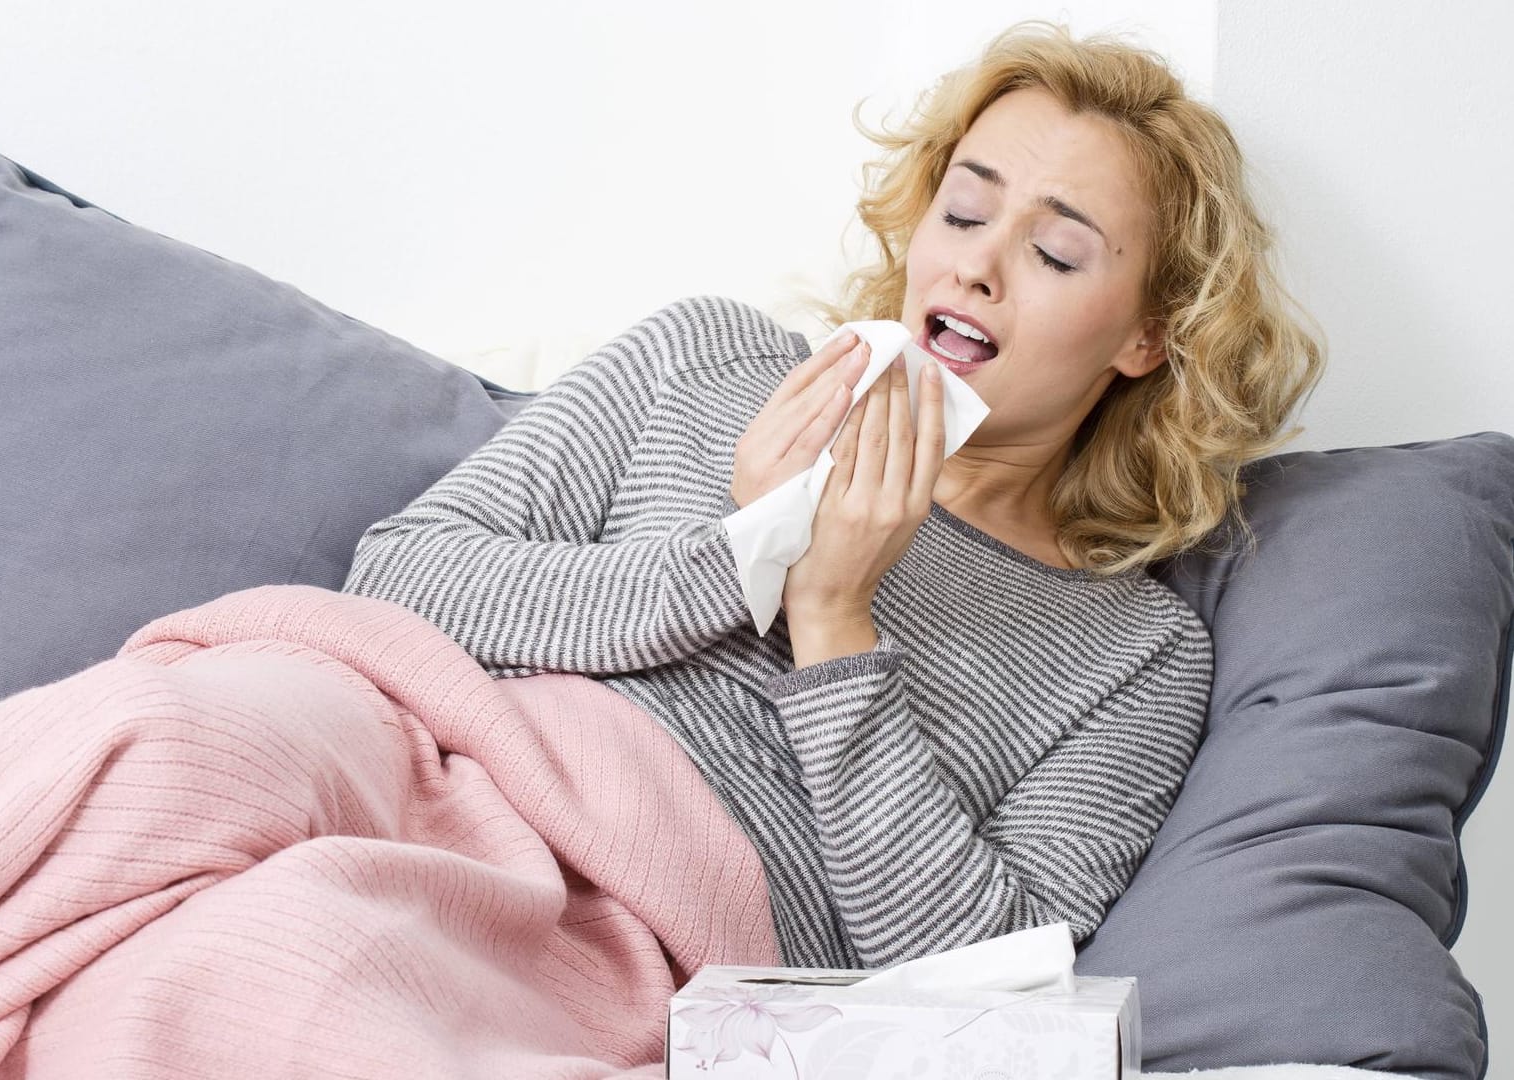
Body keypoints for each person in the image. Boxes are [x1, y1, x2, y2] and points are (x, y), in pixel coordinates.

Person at [340, 19, 1325, 970]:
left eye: (1053, 253)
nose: (975, 265)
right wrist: (740, 554)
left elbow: (984, 974)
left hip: (627, 945)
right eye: (966, 211)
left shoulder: (1134, 656)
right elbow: (395, 583)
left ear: (1145, 337)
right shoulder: (708, 357)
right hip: (404, 788)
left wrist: (834, 617)